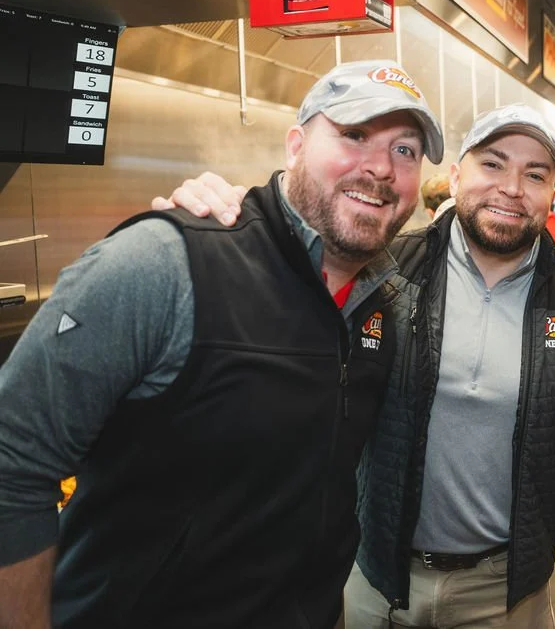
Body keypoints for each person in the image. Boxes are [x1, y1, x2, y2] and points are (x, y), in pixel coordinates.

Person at [0, 60, 444, 629]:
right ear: (296, 145)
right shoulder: (164, 262)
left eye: (405, 150)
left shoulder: (382, 305)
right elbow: (14, 465)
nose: (380, 167)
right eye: (354, 135)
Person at [158, 104, 555, 629]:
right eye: (492, 165)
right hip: (372, 578)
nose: (512, 188)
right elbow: (281, 259)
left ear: (551, 194)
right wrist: (227, 210)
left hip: (507, 593)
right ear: (455, 177)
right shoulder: (378, 272)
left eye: (535, 174)